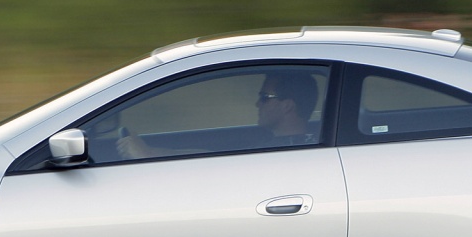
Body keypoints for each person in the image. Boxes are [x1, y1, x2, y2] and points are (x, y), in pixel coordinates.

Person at [113, 69, 320, 159]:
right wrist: (149, 152)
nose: (257, 103)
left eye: (265, 97)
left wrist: (147, 155)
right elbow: (206, 154)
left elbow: (209, 168)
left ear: (287, 106)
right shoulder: (285, 145)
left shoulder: (285, 154)